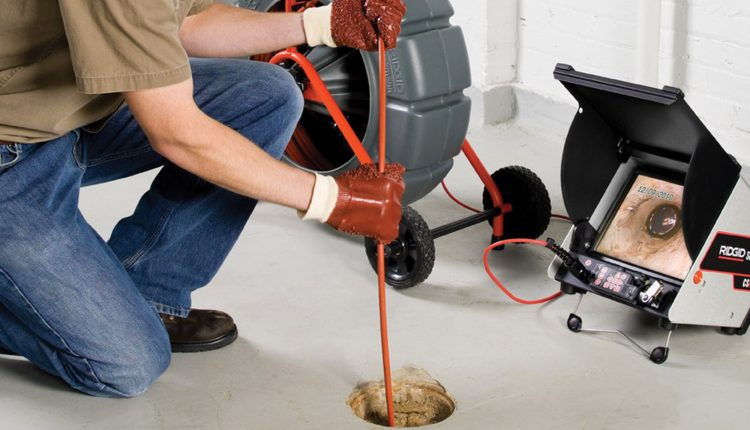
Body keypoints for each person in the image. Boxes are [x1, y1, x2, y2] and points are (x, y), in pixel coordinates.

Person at [0, 0, 406, 397]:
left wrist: (324, 24)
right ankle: (50, 313)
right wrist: (331, 199)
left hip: (76, 110)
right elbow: (177, 134)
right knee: (128, 363)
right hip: (10, 154)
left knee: (266, 97)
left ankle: (149, 297)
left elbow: (190, 22)